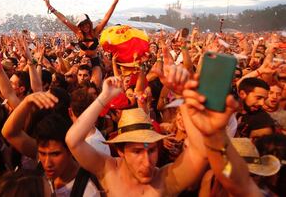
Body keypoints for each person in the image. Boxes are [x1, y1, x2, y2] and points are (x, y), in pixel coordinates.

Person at [66, 65, 210, 196]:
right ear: (121, 151)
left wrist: (182, 95)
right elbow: (73, 140)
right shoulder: (108, 170)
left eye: (151, 150)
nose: (147, 162)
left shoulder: (165, 180)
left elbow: (200, 152)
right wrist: (104, 97)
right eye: (137, 151)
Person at [43, 0, 121, 88]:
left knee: (95, 84)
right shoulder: (78, 33)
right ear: (79, 26)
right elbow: (64, 20)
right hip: (81, 60)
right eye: (82, 25)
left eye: (86, 24)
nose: (85, 27)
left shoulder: (96, 32)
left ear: (89, 23)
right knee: (69, 79)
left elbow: (106, 18)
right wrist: (50, 7)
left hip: (94, 61)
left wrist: (114, 2)